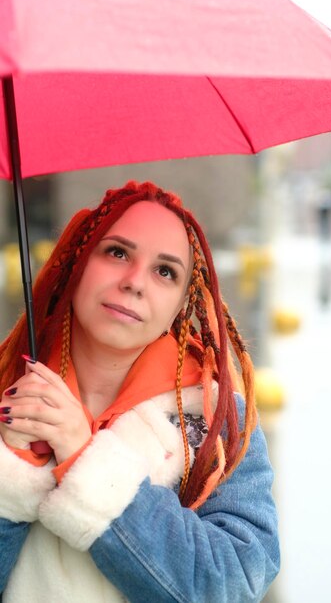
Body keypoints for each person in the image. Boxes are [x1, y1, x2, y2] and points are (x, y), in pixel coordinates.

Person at [0, 180, 279, 602]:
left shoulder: (216, 422)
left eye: (164, 271)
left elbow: (232, 585)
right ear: (78, 263)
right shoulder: (8, 393)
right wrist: (13, 475)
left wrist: (85, 461)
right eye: (117, 253)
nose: (134, 282)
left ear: (181, 303)